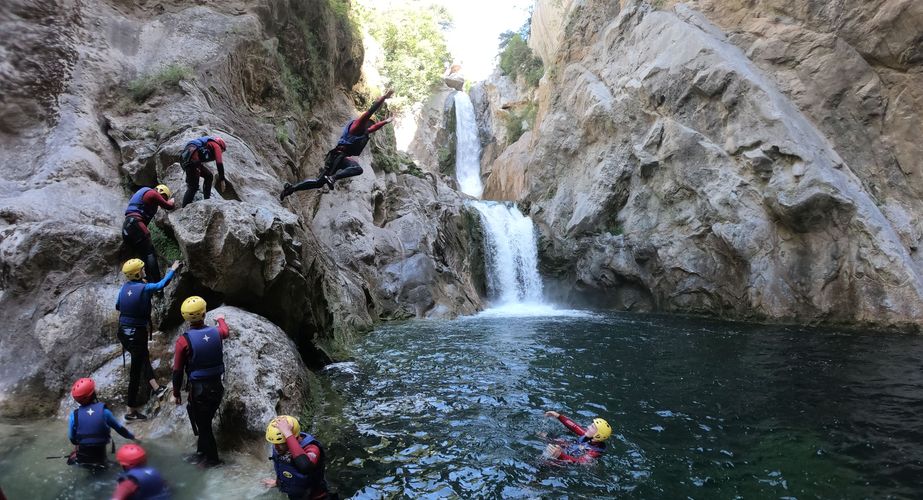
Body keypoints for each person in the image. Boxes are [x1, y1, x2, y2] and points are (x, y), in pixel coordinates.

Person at [280, 90, 395, 200]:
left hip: (340, 157)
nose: (370, 127)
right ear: (367, 122)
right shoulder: (357, 125)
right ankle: (331, 178)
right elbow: (371, 111)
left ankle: (291, 189)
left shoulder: (363, 131)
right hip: (337, 156)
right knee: (356, 169)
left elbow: (374, 128)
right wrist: (384, 97)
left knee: (320, 182)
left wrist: (386, 121)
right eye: (370, 124)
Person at [116, 258, 182, 421]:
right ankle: (130, 411)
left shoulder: (125, 288)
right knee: (136, 373)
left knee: (143, 357)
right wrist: (172, 269)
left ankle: (156, 388)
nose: (144, 269)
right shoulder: (144, 288)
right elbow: (161, 285)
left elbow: (118, 306)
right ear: (137, 273)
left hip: (124, 333)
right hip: (136, 334)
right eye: (142, 268)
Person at [172, 296, 229, 467]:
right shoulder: (216, 332)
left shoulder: (184, 340)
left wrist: (176, 393)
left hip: (199, 390)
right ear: (204, 314)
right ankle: (201, 453)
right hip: (216, 387)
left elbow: (177, 370)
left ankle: (212, 460)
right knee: (203, 422)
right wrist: (220, 319)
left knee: (204, 426)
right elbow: (225, 330)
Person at [67, 378, 137, 467]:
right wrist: (134, 438)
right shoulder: (105, 412)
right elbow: (120, 429)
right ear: (92, 394)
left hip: (82, 459)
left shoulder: (74, 415)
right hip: (101, 460)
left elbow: (72, 438)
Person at [263, 416, 333, 500]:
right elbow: (282, 467)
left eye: (281, 443)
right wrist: (277, 483)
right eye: (274, 443)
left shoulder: (312, 448)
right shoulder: (280, 449)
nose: (276, 447)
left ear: (293, 438)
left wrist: (287, 432)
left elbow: (305, 466)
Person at [123, 185, 175, 282]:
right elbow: (169, 206)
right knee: (150, 253)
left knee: (143, 255)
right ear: (161, 192)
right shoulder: (152, 193)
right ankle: (157, 283)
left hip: (126, 227)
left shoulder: (142, 194)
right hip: (136, 224)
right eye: (163, 197)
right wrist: (172, 201)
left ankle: (146, 280)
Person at [542, 410, 611, 463]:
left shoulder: (595, 451)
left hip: (570, 459)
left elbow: (580, 462)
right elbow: (574, 427)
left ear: (598, 435)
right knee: (546, 435)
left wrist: (560, 455)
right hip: (573, 448)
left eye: (592, 427)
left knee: (548, 463)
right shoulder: (590, 437)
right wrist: (558, 416)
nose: (588, 427)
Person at [180, 135, 227, 206]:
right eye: (222, 151)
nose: (221, 153)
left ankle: (207, 199)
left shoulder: (207, 144)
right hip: (193, 159)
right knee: (193, 187)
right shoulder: (216, 145)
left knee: (209, 176)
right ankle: (184, 208)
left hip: (187, 158)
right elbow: (219, 163)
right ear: (221, 146)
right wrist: (222, 179)